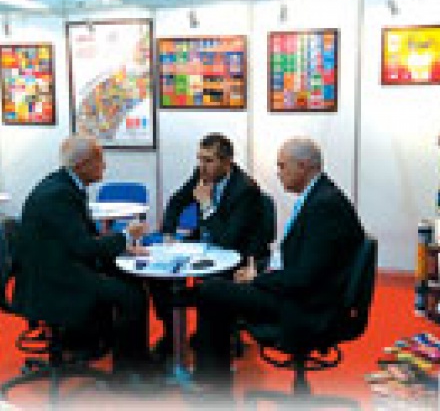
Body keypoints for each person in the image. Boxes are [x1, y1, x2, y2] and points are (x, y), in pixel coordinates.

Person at [192, 137, 365, 391]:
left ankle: (212, 387)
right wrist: (262, 270)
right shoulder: (321, 196)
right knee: (220, 288)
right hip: (308, 295)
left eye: (282, 166)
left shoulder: (324, 206)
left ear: (303, 166)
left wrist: (258, 279)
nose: (278, 173)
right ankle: (213, 379)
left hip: (310, 308)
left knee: (211, 291)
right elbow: (302, 263)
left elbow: (304, 278)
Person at [13, 134, 151, 382]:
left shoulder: (62, 185)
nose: (104, 165)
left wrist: (122, 247)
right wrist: (126, 236)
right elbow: (84, 247)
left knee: (125, 277)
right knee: (132, 296)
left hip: (53, 269)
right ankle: (128, 373)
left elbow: (82, 239)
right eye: (99, 159)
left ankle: (112, 350)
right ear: (82, 165)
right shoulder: (59, 195)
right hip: (53, 283)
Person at [150, 132, 274, 358]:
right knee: (158, 276)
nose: (202, 166)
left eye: (208, 160)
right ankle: (172, 336)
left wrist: (207, 205)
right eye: (199, 159)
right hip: (204, 244)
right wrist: (168, 232)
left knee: (211, 285)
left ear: (227, 162)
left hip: (235, 254)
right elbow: (177, 201)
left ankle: (215, 336)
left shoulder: (245, 189)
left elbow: (227, 240)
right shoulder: (201, 175)